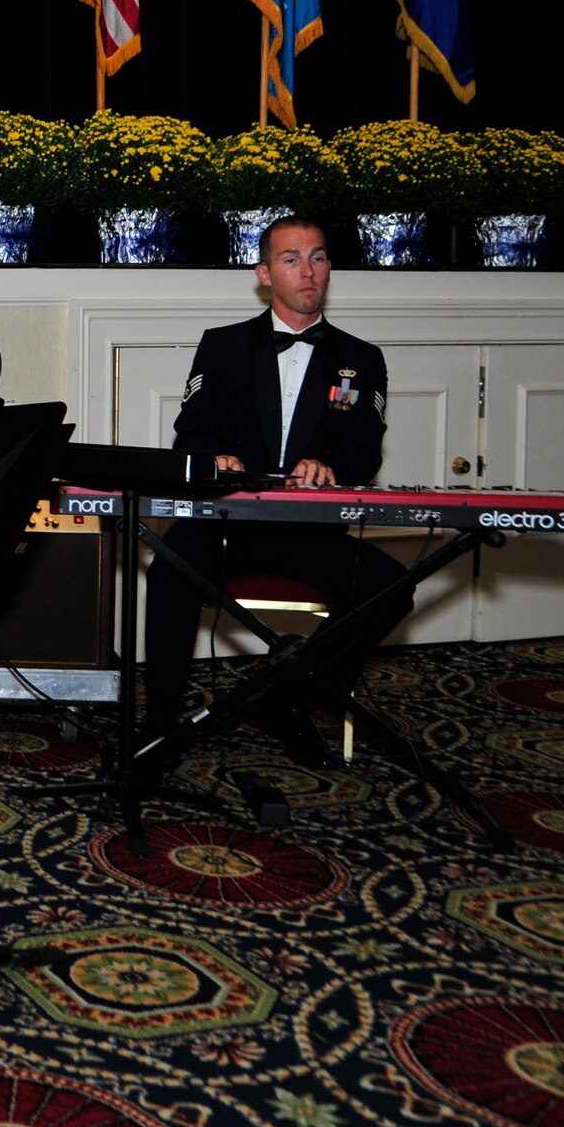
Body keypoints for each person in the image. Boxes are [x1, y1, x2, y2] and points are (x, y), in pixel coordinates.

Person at [142, 214, 411, 763]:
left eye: (318, 257)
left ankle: (292, 695)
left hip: (310, 531)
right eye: (291, 259)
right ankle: (161, 723)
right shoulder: (222, 347)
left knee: (393, 586)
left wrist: (330, 467)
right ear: (265, 274)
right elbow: (189, 435)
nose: (308, 271)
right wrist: (211, 458)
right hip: (227, 524)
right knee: (168, 568)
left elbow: (364, 452)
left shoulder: (362, 359)